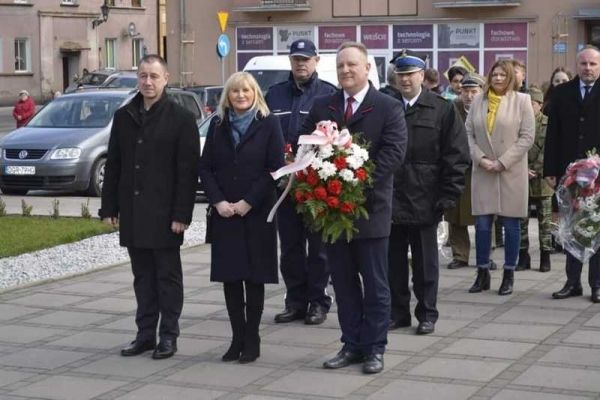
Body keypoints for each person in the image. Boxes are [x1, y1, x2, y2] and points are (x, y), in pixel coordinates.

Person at [298, 41, 407, 374]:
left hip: (370, 211)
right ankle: (351, 343)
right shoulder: (323, 105)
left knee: (375, 284)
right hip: (332, 214)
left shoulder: (388, 106)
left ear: (368, 68)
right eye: (341, 65)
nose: (345, 70)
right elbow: (304, 142)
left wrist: (355, 181)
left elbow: (394, 153)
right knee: (343, 283)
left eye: (352, 65)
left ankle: (374, 347)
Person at [100, 54, 200, 360]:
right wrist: (109, 207)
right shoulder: (124, 115)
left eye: (154, 76)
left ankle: (168, 335)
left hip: (165, 214)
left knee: (167, 278)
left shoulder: (181, 118)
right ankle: (144, 335)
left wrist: (181, 214)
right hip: (133, 212)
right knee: (142, 277)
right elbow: (114, 164)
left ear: (166, 78)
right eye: (143, 76)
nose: (148, 82)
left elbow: (187, 172)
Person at [199, 72, 285, 363]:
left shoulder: (269, 123)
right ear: (228, 96)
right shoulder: (218, 124)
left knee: (254, 276)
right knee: (231, 277)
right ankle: (236, 337)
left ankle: (252, 336)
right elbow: (206, 168)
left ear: (255, 93)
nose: (240, 95)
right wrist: (219, 201)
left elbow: (274, 168)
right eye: (235, 91)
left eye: (246, 90)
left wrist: (249, 201)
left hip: (256, 211)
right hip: (225, 213)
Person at [388, 50, 470, 335]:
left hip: (426, 197)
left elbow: (457, 155)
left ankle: (427, 314)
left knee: (425, 264)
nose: (405, 79)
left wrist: (449, 195)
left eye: (410, 74)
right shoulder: (387, 104)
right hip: (390, 197)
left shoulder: (441, 108)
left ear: (422, 76)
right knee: (393, 262)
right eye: (401, 74)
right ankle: (397, 313)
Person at [265, 39, 336, 326]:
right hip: (284, 187)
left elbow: (335, 140)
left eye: (306, 59)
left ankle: (318, 302)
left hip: (314, 186)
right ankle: (295, 301)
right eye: (296, 59)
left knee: (318, 249)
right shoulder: (274, 94)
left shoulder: (329, 95)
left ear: (316, 60)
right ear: (290, 61)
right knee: (290, 248)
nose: (301, 64)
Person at [466, 59, 535, 296]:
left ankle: (508, 273)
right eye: (494, 74)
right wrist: (481, 158)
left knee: (511, 224)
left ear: (511, 78)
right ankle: (482, 272)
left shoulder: (522, 101)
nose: (497, 79)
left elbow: (527, 137)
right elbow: (468, 134)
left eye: (502, 75)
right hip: (483, 169)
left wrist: (502, 161)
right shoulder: (477, 100)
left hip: (510, 171)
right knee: (483, 225)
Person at [544, 45, 600, 303]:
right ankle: (572, 282)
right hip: (568, 174)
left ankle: (597, 284)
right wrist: (550, 170)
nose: (588, 68)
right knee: (571, 229)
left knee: (597, 229)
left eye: (593, 64)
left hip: (598, 176)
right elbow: (552, 134)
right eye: (584, 64)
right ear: (576, 65)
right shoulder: (562, 93)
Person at [445, 73, 491, 270]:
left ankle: (486, 256)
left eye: (474, 91)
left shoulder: (489, 110)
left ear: (482, 91)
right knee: (456, 214)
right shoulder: (452, 110)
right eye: (465, 91)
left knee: (486, 215)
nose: (469, 95)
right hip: (458, 169)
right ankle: (460, 255)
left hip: (482, 169)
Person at [516, 87, 553, 272]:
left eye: (532, 104)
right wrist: (523, 169)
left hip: (543, 180)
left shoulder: (548, 124)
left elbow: (549, 150)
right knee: (521, 221)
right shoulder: (518, 124)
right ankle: (523, 256)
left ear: (539, 105)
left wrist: (535, 169)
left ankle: (545, 256)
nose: (528, 107)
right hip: (521, 178)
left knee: (544, 221)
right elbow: (515, 148)